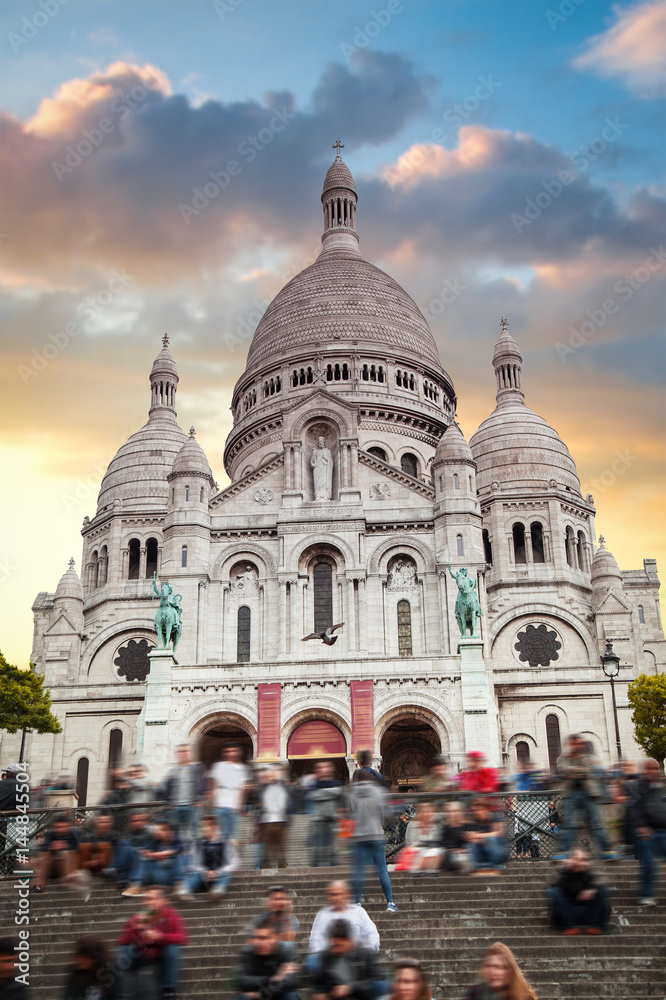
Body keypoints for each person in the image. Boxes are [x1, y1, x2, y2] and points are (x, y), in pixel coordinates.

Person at [117, 884, 188, 1000]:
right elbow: (122, 941)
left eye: (151, 899)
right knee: (124, 951)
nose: (146, 902)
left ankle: (169, 991)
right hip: (142, 956)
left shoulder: (172, 915)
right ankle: (121, 991)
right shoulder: (142, 916)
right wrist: (135, 928)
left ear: (162, 901)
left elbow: (182, 938)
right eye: (145, 899)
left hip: (162, 957)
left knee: (172, 949)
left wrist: (160, 936)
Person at [555, 734, 615, 859]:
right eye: (575, 744)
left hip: (589, 793)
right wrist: (579, 770)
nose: (578, 746)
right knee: (569, 823)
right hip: (571, 793)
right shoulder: (563, 758)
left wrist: (574, 771)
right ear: (570, 745)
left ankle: (606, 850)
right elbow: (563, 769)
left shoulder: (588, 757)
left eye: (580, 744)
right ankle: (564, 850)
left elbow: (591, 770)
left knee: (596, 822)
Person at [348, 770, 397, 911]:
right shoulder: (377, 791)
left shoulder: (352, 794)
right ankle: (390, 903)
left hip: (360, 836)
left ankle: (357, 903)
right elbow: (384, 812)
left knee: (359, 870)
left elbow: (351, 815)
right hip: (376, 835)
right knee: (382, 869)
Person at [308, 882, 380, 966]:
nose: (335, 898)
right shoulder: (322, 915)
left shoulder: (359, 912)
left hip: (356, 959)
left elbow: (372, 934)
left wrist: (367, 954)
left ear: (347, 894)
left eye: (338, 894)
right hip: (330, 960)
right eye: (332, 895)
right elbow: (315, 941)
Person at [311, 919, 383, 1000]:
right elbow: (319, 984)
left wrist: (351, 988)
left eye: (339, 945)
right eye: (333, 945)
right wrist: (320, 994)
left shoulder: (366, 955)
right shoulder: (326, 957)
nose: (335, 950)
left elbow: (377, 984)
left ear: (349, 940)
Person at [546, 847, 611, 935]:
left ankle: (594, 926)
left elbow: (605, 881)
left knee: (603, 890)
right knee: (554, 891)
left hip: (588, 912)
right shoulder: (564, 872)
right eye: (576, 858)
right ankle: (570, 926)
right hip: (568, 912)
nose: (579, 862)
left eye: (582, 859)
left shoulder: (590, 873)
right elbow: (551, 885)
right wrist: (564, 869)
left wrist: (592, 888)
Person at [233, 917, 299, 1000]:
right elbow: (242, 981)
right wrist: (272, 978)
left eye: (264, 938)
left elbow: (292, 981)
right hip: (256, 992)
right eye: (256, 938)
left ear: (275, 938)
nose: (260, 943)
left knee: (290, 995)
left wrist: (261, 994)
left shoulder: (285, 950)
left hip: (274, 993)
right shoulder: (248, 951)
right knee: (240, 997)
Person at [630, 757, 666, 905]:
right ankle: (646, 894)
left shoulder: (658, 786)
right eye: (650, 768)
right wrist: (641, 826)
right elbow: (633, 808)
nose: (653, 771)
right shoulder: (637, 786)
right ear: (644, 770)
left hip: (663, 831)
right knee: (649, 864)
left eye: (655, 768)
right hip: (647, 833)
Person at [121, 820, 185, 896]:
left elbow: (179, 849)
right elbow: (144, 852)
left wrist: (161, 854)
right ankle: (136, 886)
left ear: (170, 832)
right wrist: (154, 855)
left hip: (170, 876)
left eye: (163, 830)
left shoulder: (176, 841)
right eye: (158, 830)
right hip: (156, 874)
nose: (159, 832)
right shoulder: (154, 842)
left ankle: (179, 886)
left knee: (178, 857)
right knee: (144, 859)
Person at [32, 815, 88, 898]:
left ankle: (68, 879)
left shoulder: (74, 833)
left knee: (68, 852)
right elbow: (41, 849)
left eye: (63, 827)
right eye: (58, 827)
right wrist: (51, 847)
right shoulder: (51, 834)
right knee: (46, 854)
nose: (61, 829)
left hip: (71, 868)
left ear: (69, 826)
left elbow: (81, 850)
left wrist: (66, 846)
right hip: (54, 868)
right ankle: (39, 885)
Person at [180, 814, 231, 900]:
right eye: (201, 826)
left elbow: (231, 863)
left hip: (219, 876)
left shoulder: (224, 841)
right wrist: (205, 872)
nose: (202, 829)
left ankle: (218, 890)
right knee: (195, 874)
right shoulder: (198, 843)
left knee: (225, 874)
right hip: (203, 876)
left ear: (214, 827)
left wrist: (216, 872)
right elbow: (195, 864)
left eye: (206, 826)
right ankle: (186, 890)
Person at [464, 942, 537, 1000]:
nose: (493, 972)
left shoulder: (525, 996)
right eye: (489, 966)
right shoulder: (475, 994)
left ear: (510, 970)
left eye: (498, 967)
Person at [163, 744, 207, 840]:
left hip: (193, 806)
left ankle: (196, 854)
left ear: (191, 753)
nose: (183, 754)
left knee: (195, 834)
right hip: (175, 807)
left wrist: (200, 800)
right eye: (180, 751)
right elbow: (167, 786)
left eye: (186, 751)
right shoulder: (173, 770)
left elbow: (203, 784)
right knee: (174, 835)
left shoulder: (198, 768)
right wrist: (169, 803)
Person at [208, 744, 249, 842]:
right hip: (219, 808)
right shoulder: (217, 766)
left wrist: (240, 805)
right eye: (228, 751)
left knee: (232, 839)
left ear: (239, 752)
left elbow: (244, 788)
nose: (231, 753)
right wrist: (212, 803)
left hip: (233, 809)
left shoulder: (242, 769)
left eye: (234, 751)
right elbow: (212, 785)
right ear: (224, 753)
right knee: (217, 838)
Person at [60, 935, 119, 1000]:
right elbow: (69, 995)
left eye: (81, 957)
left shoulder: (111, 972)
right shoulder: (75, 972)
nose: (77, 960)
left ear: (94, 958)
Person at [310, 761, 342, 867]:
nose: (325, 770)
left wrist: (322, 793)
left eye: (327, 768)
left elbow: (339, 792)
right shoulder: (315, 783)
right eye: (322, 768)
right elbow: (314, 795)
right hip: (319, 820)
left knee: (332, 844)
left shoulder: (335, 783)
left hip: (331, 818)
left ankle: (332, 861)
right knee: (319, 845)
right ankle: (317, 862)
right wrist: (331, 792)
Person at [465, 798, 508, 874]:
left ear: (485, 809)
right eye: (474, 811)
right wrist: (471, 837)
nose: (476, 813)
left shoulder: (495, 817)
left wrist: (479, 835)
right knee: (471, 844)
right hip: (484, 851)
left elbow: (498, 834)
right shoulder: (476, 821)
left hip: (500, 851)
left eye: (478, 810)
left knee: (490, 839)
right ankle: (479, 866)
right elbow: (475, 839)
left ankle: (494, 865)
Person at [258, 766, 290, 869]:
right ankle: (267, 870)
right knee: (268, 849)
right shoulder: (263, 788)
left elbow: (285, 804)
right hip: (267, 822)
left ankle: (282, 868)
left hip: (280, 821)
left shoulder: (283, 787)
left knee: (280, 848)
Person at [113, 811, 154, 887]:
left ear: (145, 822)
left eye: (140, 820)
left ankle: (122, 876)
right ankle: (121, 875)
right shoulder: (126, 835)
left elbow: (149, 851)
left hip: (144, 865)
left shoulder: (151, 835)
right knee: (123, 844)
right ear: (130, 823)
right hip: (130, 863)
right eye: (135, 821)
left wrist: (136, 850)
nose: (138, 823)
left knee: (127, 848)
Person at [404, 803, 443, 873]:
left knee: (437, 851)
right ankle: (419, 868)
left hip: (431, 855)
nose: (428, 814)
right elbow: (410, 844)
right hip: (416, 853)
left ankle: (430, 870)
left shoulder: (436, 826)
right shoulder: (412, 825)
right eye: (425, 812)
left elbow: (437, 843)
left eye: (430, 812)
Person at [79, 813, 119, 878]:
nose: (103, 824)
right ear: (95, 823)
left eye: (106, 822)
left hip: (108, 866)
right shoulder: (87, 838)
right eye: (100, 822)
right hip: (88, 865)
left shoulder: (115, 838)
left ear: (110, 823)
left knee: (106, 846)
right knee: (85, 846)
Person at [440, 801, 472, 872]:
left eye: (455, 811)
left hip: (465, 853)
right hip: (451, 854)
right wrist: (454, 850)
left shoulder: (468, 826)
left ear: (460, 812)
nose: (452, 814)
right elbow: (443, 844)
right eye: (449, 811)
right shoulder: (445, 828)